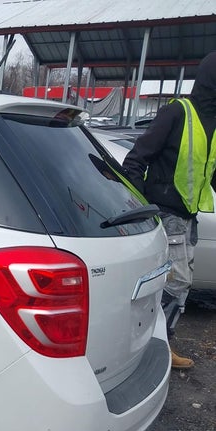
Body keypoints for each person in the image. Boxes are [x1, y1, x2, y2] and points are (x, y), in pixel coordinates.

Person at [123, 51, 216, 369]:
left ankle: (159, 346)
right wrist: (144, 210)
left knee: (174, 285)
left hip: (189, 218)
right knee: (176, 284)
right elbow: (135, 161)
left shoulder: (214, 123)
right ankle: (150, 349)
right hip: (164, 213)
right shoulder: (177, 113)